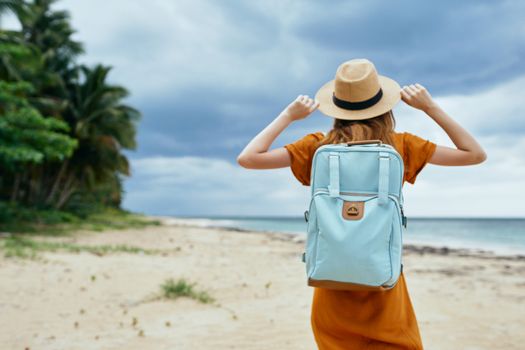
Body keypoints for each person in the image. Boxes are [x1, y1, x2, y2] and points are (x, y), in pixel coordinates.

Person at [237, 58, 486, 349]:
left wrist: (288, 115)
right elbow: (474, 154)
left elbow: (248, 158)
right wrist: (430, 107)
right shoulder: (400, 145)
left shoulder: (318, 146)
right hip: (384, 286)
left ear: (336, 107)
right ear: (385, 107)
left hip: (331, 285)